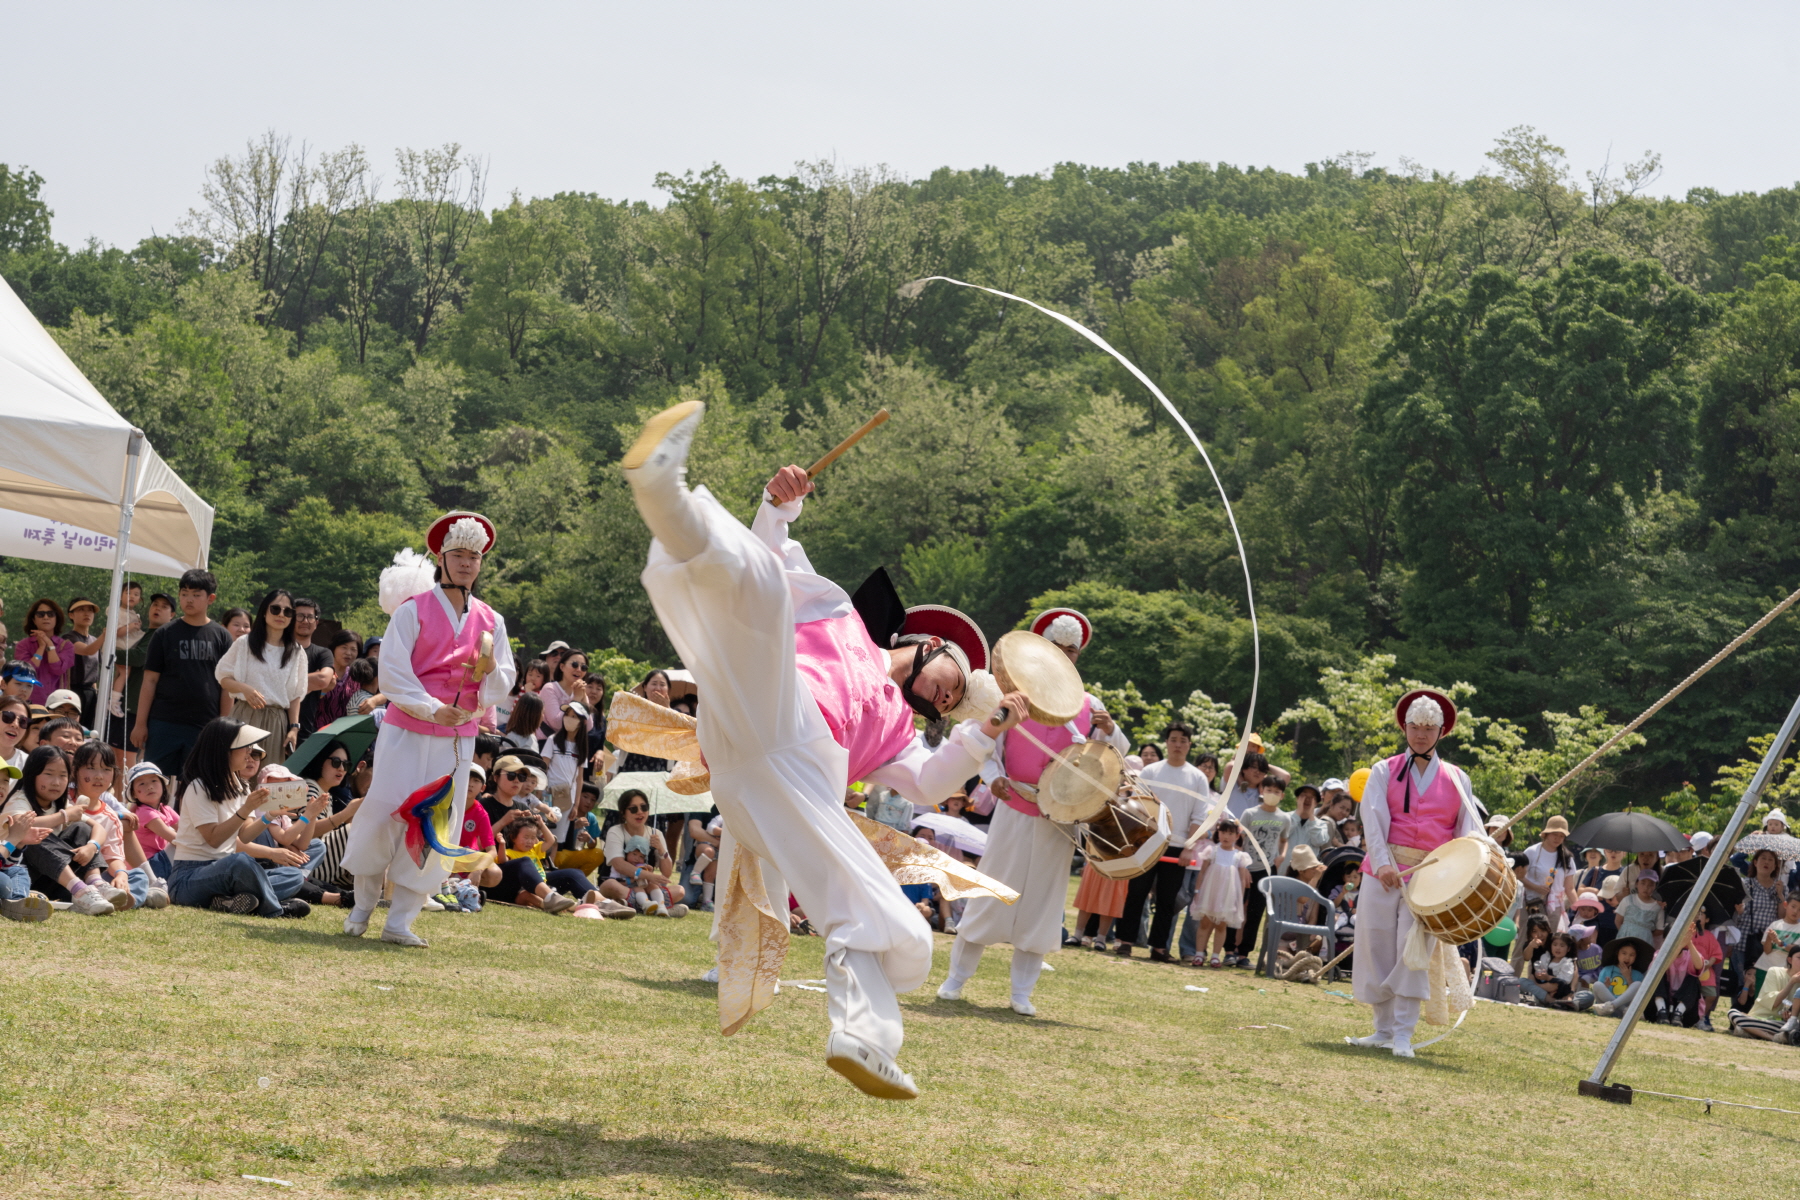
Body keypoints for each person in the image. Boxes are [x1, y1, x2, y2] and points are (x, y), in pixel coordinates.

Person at [624, 399, 1023, 1099]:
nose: (941, 700)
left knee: (890, 922)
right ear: (930, 642)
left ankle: (864, 1040)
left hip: (788, 784)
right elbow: (769, 559)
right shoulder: (837, 612)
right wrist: (779, 506)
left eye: (949, 705)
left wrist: (985, 730)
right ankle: (662, 487)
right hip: (759, 725)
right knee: (759, 593)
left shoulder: (900, 735)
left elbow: (929, 785)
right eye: (949, 684)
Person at [340, 511, 516, 948]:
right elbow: (394, 670)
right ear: (441, 558)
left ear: (481, 564)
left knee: (437, 821)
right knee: (385, 809)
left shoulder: (491, 619)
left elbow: (503, 680)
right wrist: (431, 708)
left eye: (474, 557)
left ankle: (401, 917)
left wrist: (490, 672)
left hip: (458, 738)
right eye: (458, 554)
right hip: (408, 728)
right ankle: (363, 904)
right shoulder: (412, 610)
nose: (466, 563)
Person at [948, 607, 1127, 1011]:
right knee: (989, 892)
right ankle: (956, 980)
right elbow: (987, 747)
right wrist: (991, 777)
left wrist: (1111, 728)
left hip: (1060, 817)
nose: (1064, 655)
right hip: (1013, 805)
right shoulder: (1011, 696)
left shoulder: (1089, 702)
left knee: (1043, 904)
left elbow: (1113, 757)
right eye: (1056, 646)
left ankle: (1021, 994)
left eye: (1072, 650)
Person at [1348, 689, 1485, 1058]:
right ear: (1404, 727)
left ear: (1441, 731)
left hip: (1430, 877)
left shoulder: (1457, 778)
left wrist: (1478, 856)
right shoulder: (1383, 770)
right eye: (1414, 726)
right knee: (1377, 945)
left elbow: (1468, 831)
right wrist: (1383, 864)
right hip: (1384, 870)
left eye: (1428, 727)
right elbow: (1373, 821)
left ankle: (1404, 1034)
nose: (1420, 734)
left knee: (1412, 952)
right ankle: (1382, 1028)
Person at [165, 720, 314, 917]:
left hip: (226, 869)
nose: (250, 753)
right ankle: (276, 910)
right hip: (190, 876)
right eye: (245, 747)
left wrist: (269, 815)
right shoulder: (199, 787)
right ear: (224, 750)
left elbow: (244, 836)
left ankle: (228, 902)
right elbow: (214, 839)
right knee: (240, 862)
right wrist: (246, 809)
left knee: (293, 876)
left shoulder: (240, 785)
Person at [1111, 721, 1207, 965]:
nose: (1178, 745)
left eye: (1183, 741)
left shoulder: (1197, 778)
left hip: (1177, 846)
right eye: (1173, 740)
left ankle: (1159, 947)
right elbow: (1136, 806)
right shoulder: (1151, 771)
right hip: (1146, 841)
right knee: (1136, 893)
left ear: (1189, 745)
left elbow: (1199, 816)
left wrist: (1189, 847)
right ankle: (1125, 941)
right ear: (1167, 742)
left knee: (1167, 899)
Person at [132, 570, 234, 777]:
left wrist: (223, 727)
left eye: (196, 595)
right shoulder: (164, 634)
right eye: (185, 593)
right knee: (154, 781)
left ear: (210, 598)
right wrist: (140, 724)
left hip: (205, 725)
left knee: (197, 786)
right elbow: (150, 681)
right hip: (163, 722)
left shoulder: (221, 636)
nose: (189, 599)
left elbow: (227, 686)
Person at [2, 745, 123, 915]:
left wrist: (92, 846)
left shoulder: (60, 804)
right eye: (49, 774)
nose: (56, 782)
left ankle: (96, 883)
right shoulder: (19, 799)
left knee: (81, 828)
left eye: (63, 775)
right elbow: (20, 827)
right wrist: (64, 816)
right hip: (19, 877)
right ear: (32, 775)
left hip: (54, 878)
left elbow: (98, 827)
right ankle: (81, 891)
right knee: (36, 833)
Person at [216, 589, 308, 759]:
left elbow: (295, 695)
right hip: (244, 714)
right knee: (238, 772)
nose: (281, 614)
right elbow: (223, 677)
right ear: (264, 611)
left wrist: (294, 728)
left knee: (269, 776)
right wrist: (245, 689)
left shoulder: (296, 652)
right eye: (275, 609)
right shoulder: (245, 643)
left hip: (276, 720)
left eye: (288, 611)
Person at [1228, 775, 1290, 967]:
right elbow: (1239, 841)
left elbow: (1284, 839)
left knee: (1256, 913)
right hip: (1245, 868)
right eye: (1269, 790)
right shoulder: (1249, 813)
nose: (1272, 794)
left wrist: (1281, 855)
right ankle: (1229, 951)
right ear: (1262, 791)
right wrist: (1243, 866)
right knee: (1235, 908)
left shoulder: (1284, 818)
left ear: (1282, 795)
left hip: (1266, 870)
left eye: (1277, 791)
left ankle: (1243, 954)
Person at [600, 789, 690, 916]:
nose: (640, 812)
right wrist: (648, 876)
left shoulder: (655, 834)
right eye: (633, 809)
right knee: (609, 885)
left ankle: (635, 905)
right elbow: (618, 864)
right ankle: (661, 907)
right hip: (622, 885)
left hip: (646, 888)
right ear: (623, 813)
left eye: (644, 807)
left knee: (680, 891)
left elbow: (667, 873)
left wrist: (661, 849)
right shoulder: (616, 831)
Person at [1187, 818, 1252, 968]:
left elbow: (1242, 880)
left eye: (1230, 833)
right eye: (1223, 832)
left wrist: (1239, 898)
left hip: (1227, 896)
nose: (1226, 836)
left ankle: (1216, 956)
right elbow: (1202, 873)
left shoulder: (1239, 856)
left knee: (1222, 925)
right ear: (1218, 833)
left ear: (1237, 836)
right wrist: (1198, 890)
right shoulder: (1212, 851)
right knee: (1205, 922)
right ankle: (1199, 954)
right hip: (1210, 893)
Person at [13, 599, 74, 706]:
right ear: (34, 620)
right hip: (30, 704)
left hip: (57, 705)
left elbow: (58, 669)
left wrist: (50, 645)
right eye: (40, 614)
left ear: (56, 619)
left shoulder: (66, 645)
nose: (46, 617)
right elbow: (26, 673)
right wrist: (41, 647)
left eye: (50, 614)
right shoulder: (23, 645)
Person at [291, 598, 337, 737]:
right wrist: (310, 685)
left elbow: (323, 680)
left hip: (304, 728)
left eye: (310, 617)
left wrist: (285, 682)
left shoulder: (323, 653)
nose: (305, 621)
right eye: (299, 616)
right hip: (275, 723)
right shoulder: (279, 650)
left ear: (316, 623)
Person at [126, 761, 179, 881]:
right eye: (142, 784)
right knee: (180, 843)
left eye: (154, 781)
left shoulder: (166, 809)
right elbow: (176, 839)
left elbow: (185, 829)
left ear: (163, 785)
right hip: (149, 867)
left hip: (159, 861)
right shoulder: (145, 813)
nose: (149, 786)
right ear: (134, 793)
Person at [1521, 815, 1577, 923]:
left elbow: (1569, 888)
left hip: (1554, 907)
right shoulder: (1531, 852)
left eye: (1561, 836)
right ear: (1546, 834)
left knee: (1550, 939)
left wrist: (1578, 908)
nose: (1558, 838)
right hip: (1531, 904)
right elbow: (1518, 876)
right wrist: (1535, 887)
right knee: (1526, 938)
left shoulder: (1567, 858)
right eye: (1555, 834)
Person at [1592, 937, 1650, 1017]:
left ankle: (1614, 1006)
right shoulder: (1607, 970)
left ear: (1636, 957)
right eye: (1624, 953)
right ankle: (1620, 1009)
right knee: (1597, 985)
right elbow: (1599, 993)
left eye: (1631, 955)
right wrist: (1606, 986)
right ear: (1617, 953)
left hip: (1625, 1008)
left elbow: (1636, 996)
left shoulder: (1637, 974)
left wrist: (1628, 977)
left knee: (1638, 984)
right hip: (1609, 1010)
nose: (1627, 957)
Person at [1615, 871, 1664, 944]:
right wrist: (1625, 930)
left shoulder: (1657, 907)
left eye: (1651, 885)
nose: (1646, 887)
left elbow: (1660, 929)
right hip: (1625, 937)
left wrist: (1646, 933)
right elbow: (1618, 920)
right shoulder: (1627, 900)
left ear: (1655, 887)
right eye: (1643, 883)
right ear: (1636, 884)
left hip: (1644, 941)